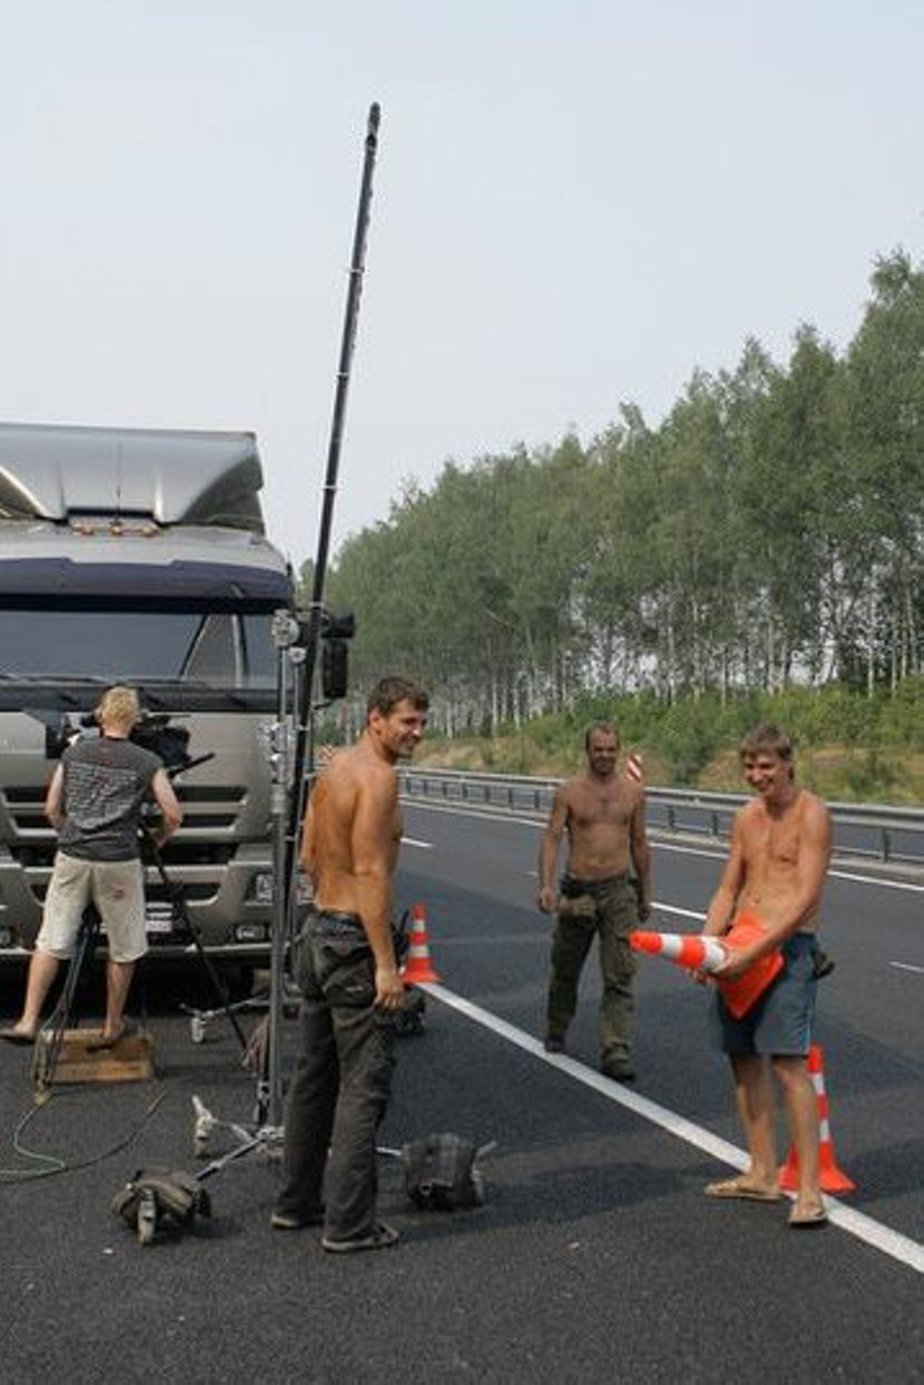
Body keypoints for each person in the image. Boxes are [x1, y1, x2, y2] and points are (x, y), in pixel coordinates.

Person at [272, 675, 429, 1253]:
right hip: (351, 939)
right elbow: (370, 870)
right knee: (364, 1085)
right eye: (408, 721)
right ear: (376, 719)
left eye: (422, 722)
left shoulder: (333, 772)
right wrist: (385, 965)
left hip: (317, 930)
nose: (418, 732)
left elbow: (311, 854)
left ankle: (296, 1203)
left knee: (313, 1079)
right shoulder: (379, 778)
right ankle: (349, 1223)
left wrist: (327, 918)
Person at [701, 723, 832, 1228]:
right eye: (750, 767)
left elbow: (805, 899)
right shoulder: (745, 818)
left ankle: (810, 1191)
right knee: (742, 1058)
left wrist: (754, 950)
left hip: (785, 951)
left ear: (788, 763)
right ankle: (760, 1172)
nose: (758, 776)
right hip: (737, 947)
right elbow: (726, 888)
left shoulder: (812, 814)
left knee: (787, 1064)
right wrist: (709, 947)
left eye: (767, 767)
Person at [0, 685, 182, 1048]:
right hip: (119, 861)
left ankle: (28, 1020)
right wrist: (155, 840)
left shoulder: (74, 754)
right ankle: (112, 1026)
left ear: (100, 715)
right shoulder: (146, 761)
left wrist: (69, 834)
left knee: (51, 940)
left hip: (73, 858)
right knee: (124, 947)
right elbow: (174, 814)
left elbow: (51, 808)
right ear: (133, 719)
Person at [538, 722, 652, 1082]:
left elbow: (639, 843)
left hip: (618, 891)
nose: (604, 755)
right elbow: (552, 838)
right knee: (566, 969)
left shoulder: (632, 793)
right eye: (598, 749)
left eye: (610, 749)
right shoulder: (569, 792)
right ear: (587, 751)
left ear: (618, 750)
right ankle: (557, 1027)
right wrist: (546, 886)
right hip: (579, 892)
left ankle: (615, 1049)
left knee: (620, 974)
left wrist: (646, 893)